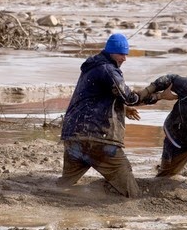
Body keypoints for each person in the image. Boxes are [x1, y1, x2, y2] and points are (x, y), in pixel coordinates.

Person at [57, 33, 165, 198]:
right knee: (131, 191)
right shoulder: (108, 70)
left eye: (126, 54)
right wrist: (158, 95)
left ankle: (52, 198)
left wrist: (122, 108)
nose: (124, 59)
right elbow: (129, 97)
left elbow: (93, 98)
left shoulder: (92, 67)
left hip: (73, 136)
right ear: (111, 52)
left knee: (64, 185)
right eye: (121, 54)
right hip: (97, 137)